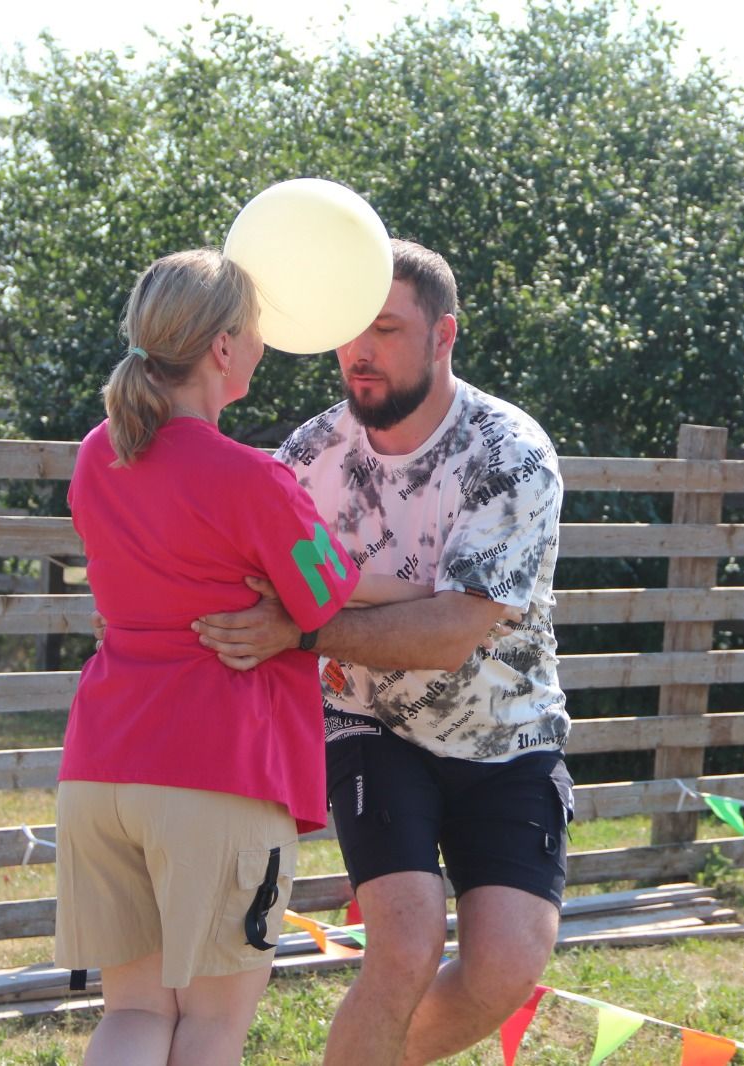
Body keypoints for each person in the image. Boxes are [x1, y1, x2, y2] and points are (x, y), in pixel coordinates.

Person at [191, 239, 571, 1066]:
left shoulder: (507, 454)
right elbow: (248, 582)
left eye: (388, 330)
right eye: (350, 331)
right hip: (366, 722)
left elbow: (449, 634)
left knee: (506, 966)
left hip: (508, 733)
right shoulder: (308, 456)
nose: (360, 352)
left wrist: (306, 625)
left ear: (444, 336)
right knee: (402, 944)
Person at [55, 248, 423, 1065]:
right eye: (255, 329)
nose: (263, 343)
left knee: (136, 1014)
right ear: (222, 347)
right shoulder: (252, 478)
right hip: (214, 767)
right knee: (214, 1025)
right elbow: (324, 598)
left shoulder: (95, 454)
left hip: (101, 764)